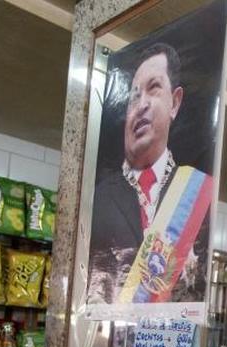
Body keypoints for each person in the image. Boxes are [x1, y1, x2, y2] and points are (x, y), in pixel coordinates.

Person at [88, 43, 214, 307]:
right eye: (134, 96)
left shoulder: (197, 193)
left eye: (153, 88)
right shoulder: (98, 198)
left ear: (175, 102)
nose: (141, 104)